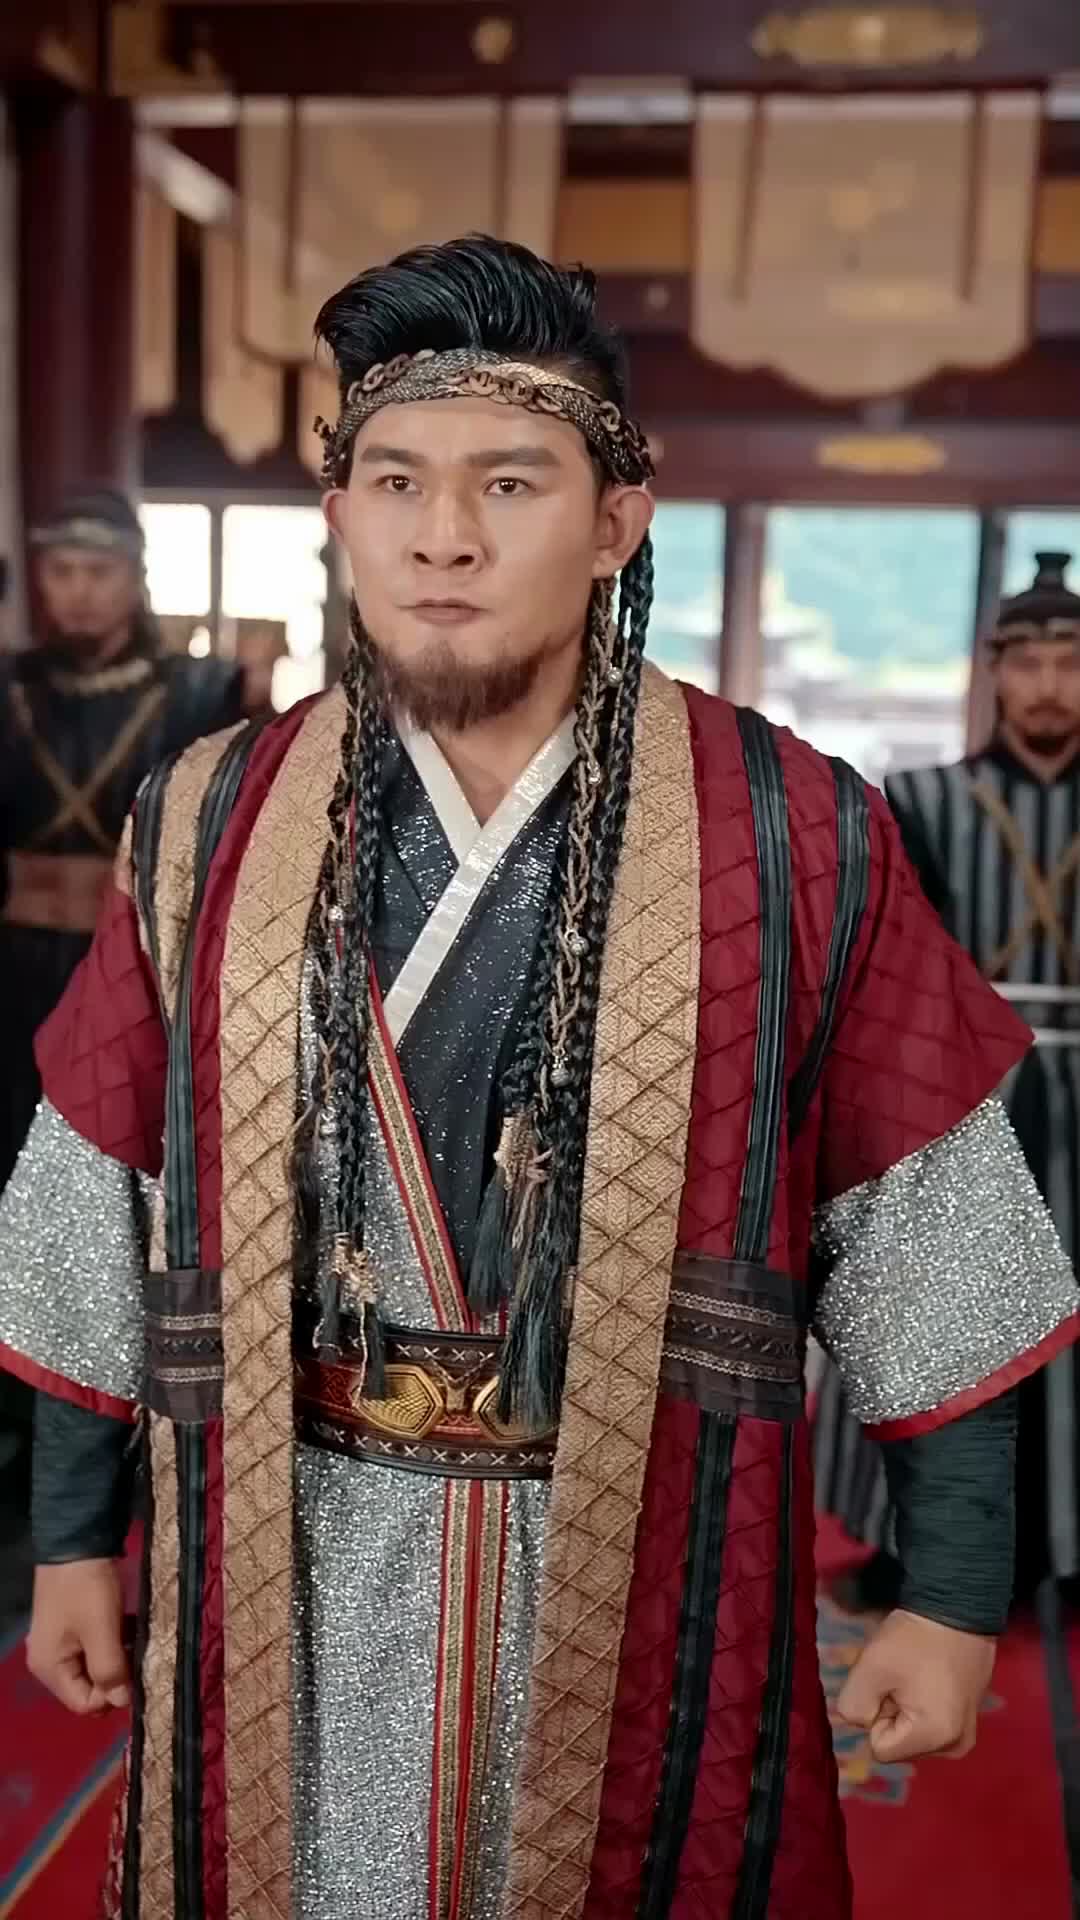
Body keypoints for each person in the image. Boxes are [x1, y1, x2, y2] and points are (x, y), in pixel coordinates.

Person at [0, 239, 1076, 1920]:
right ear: (340, 514)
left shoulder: (792, 825)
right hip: (285, 1537)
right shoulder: (204, 817)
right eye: (397, 483)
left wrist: (948, 1589)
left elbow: (926, 1228)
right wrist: (74, 1535)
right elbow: (92, 1191)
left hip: (651, 1541)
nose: (445, 536)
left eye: (510, 482)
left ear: (617, 521)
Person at [815, 551, 1080, 1616]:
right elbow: (896, 968)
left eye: (1071, 662)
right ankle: (917, 1552)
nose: (1050, 685)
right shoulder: (924, 798)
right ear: (996, 672)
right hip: (964, 1092)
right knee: (935, 1320)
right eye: (1030, 662)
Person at [0, 489, 247, 1610]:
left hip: (138, 961)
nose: (80, 592)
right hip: (13, 966)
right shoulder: (14, 690)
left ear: (136, 577)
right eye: (62, 571)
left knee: (126, 1201)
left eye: (100, 571)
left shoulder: (197, 693)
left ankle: (125, 1438)